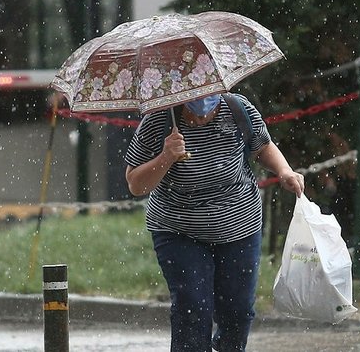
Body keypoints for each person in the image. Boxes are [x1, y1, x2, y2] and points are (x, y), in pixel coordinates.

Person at [124, 92, 304, 352]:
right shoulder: (159, 120)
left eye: (211, 96)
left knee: (238, 311)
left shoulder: (238, 109)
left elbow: (262, 145)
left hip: (240, 225)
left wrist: (284, 171)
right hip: (178, 229)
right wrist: (166, 156)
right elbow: (135, 184)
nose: (204, 103)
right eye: (196, 95)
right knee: (193, 307)